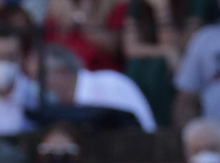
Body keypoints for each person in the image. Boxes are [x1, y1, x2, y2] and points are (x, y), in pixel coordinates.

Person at [122, 0, 200, 126]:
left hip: (184, 66)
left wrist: (162, 9)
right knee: (143, 66)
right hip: (153, 65)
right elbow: (131, 48)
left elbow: (181, 47)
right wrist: (166, 52)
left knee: (161, 68)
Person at [27, 42, 158, 129]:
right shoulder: (55, 109)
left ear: (62, 72)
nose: (35, 85)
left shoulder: (110, 85)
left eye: (38, 78)